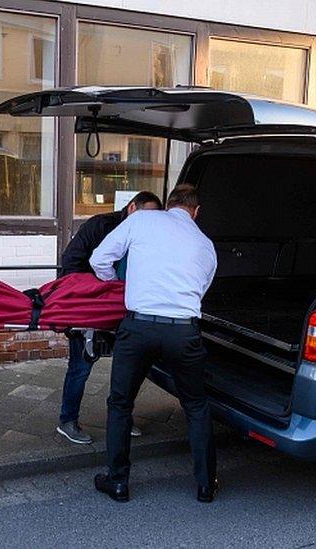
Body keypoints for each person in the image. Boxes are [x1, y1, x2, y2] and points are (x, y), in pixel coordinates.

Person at [89, 186, 219, 503]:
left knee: (121, 403)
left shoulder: (143, 220)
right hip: (183, 331)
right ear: (195, 211)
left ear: (169, 203)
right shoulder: (206, 244)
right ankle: (205, 485)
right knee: (196, 407)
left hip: (139, 327)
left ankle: (118, 481)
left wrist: (119, 287)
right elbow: (200, 292)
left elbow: (99, 259)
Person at [56, 191, 162, 444]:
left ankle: (121, 417)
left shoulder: (150, 235)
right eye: (146, 215)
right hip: (91, 306)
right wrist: (83, 300)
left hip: (128, 309)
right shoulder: (100, 226)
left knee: (128, 367)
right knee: (80, 367)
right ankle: (68, 420)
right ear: (132, 207)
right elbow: (71, 262)